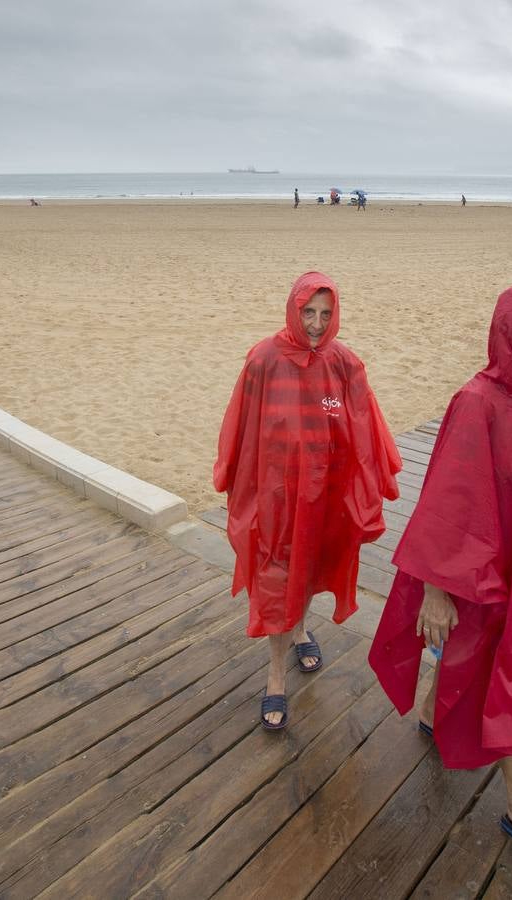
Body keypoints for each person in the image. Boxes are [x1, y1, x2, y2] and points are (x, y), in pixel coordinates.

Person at [370, 283, 512, 861]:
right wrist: (437, 589)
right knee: (502, 667)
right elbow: (451, 497)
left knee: (503, 659)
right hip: (479, 569)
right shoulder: (476, 402)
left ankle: (432, 712)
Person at [215, 271, 402, 730]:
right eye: (309, 312)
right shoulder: (263, 359)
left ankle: (301, 630)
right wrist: (236, 482)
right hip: (276, 495)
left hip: (324, 492)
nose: (317, 324)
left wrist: (371, 476)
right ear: (293, 310)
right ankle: (276, 676)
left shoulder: (343, 362)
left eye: (326, 313)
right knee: (278, 577)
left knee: (312, 567)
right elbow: (240, 425)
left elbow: (362, 423)